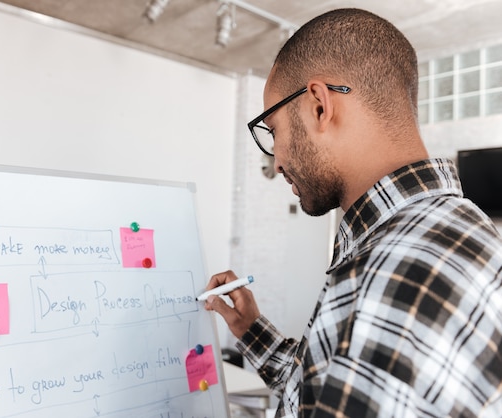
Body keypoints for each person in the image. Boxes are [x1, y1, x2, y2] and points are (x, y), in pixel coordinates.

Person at [205, 8, 502, 418]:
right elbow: (324, 387)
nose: (275, 163)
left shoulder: (394, 272)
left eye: (274, 131)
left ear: (319, 106)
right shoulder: (460, 228)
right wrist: (249, 329)